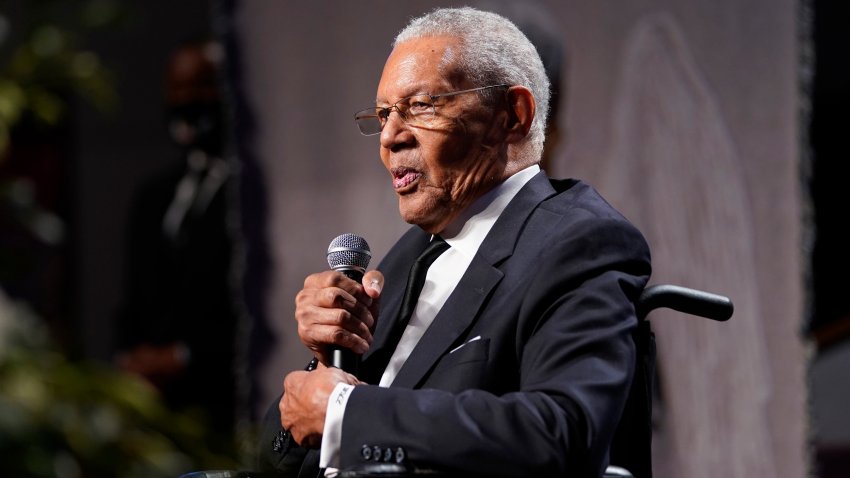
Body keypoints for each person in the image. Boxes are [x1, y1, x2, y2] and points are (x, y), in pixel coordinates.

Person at [256, 7, 650, 477]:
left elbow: (562, 432)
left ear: (513, 116)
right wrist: (326, 363)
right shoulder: (408, 257)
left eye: (421, 106)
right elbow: (275, 458)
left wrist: (346, 413)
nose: (390, 137)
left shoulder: (580, 243)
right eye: (383, 115)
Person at [113, 40, 239, 440]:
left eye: (201, 86)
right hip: (153, 414)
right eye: (178, 89)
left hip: (225, 407)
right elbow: (134, 296)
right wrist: (133, 362)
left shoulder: (253, 200)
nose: (187, 100)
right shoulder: (153, 195)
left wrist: (186, 357)